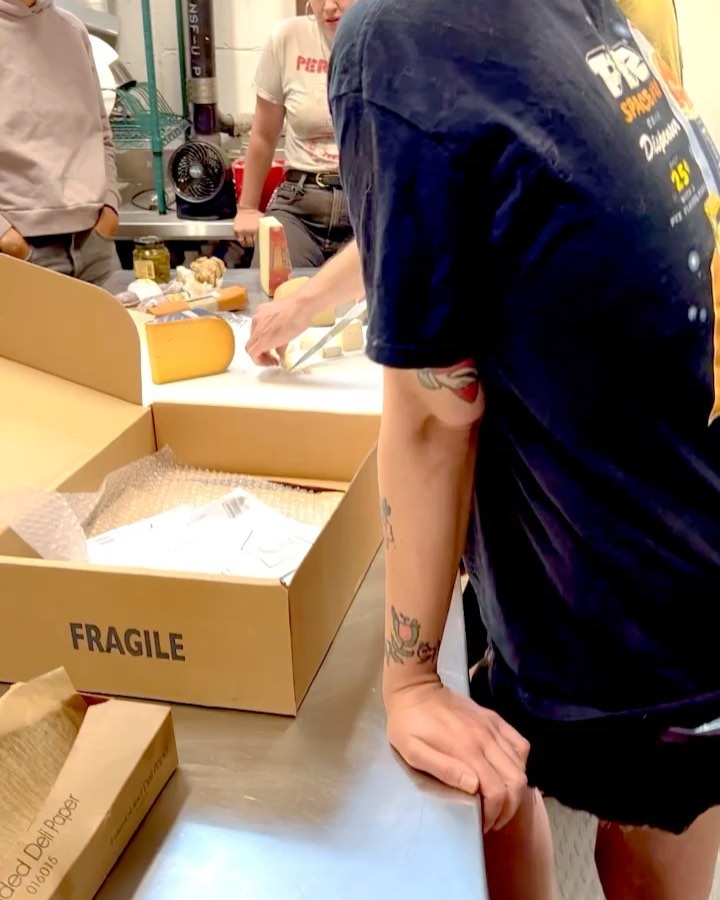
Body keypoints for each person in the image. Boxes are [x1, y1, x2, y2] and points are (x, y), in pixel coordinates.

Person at [328, 1, 720, 899]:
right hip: (685, 559)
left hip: (635, 635)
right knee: (534, 795)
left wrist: (410, 681)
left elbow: (434, 413)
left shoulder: (403, 35)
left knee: (551, 806)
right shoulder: (577, 16)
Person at [0, 0, 121, 288]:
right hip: (20, 253)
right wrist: (7, 237)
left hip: (97, 247)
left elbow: (101, 132)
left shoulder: (72, 30)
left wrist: (110, 207)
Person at [234, 0, 355, 269]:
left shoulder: (385, 40)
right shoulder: (288, 38)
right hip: (299, 202)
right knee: (273, 283)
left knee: (367, 292)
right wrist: (247, 208)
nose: (328, 7)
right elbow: (263, 135)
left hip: (364, 203)